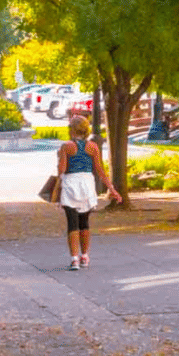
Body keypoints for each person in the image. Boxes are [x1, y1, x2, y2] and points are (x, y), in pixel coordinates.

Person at [53, 115, 121, 271]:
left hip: (71, 183)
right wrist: (111, 189)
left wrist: (57, 187)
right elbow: (100, 170)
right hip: (87, 184)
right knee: (84, 222)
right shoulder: (93, 147)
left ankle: (74, 259)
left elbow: (61, 170)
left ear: (71, 130)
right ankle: (85, 256)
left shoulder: (66, 147)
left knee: (72, 223)